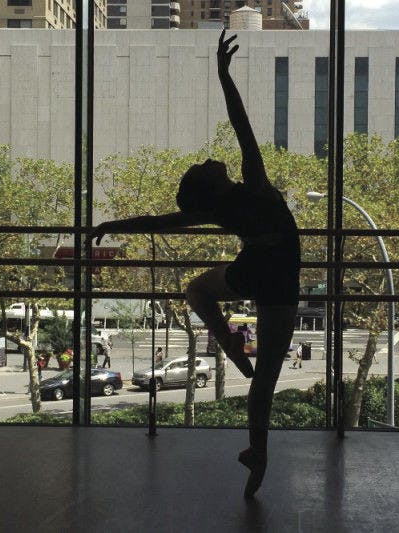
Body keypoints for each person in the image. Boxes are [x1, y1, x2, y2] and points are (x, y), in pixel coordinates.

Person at [89, 29, 300, 499]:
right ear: (213, 182)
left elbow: (157, 221)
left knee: (197, 291)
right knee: (265, 383)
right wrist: (224, 77)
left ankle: (231, 351)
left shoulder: (218, 209)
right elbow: (241, 123)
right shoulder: (254, 185)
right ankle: (257, 454)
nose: (208, 159)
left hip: (252, 271)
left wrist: (112, 225)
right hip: (281, 277)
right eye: (204, 166)